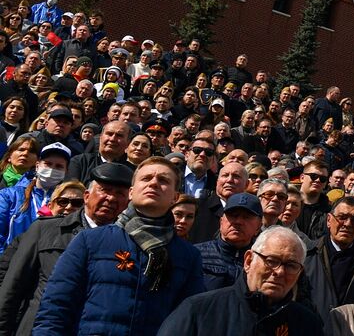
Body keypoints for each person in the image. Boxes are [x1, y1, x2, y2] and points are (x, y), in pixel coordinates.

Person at [32, 157, 206, 335]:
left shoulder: (188, 256)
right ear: (131, 192)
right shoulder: (90, 241)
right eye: (146, 179)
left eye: (163, 180)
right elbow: (55, 307)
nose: (153, 183)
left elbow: (189, 320)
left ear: (174, 197)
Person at [0, 166, 129, 335]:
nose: (111, 198)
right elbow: (13, 288)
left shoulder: (127, 242)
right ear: (87, 196)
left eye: (119, 193)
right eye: (104, 190)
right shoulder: (45, 229)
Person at [155, 225, 324, 335]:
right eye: (271, 261)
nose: (279, 272)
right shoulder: (198, 311)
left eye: (291, 265)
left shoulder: (308, 324)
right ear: (249, 261)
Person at [0, 141, 69, 249]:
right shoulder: (9, 195)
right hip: (10, 260)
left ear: (66, 171)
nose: (52, 169)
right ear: (37, 165)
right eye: (48, 164)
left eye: (59, 166)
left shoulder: (68, 202)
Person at [194, 191, 264, 289]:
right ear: (221, 221)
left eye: (246, 217)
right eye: (233, 215)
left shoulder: (262, 261)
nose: (238, 222)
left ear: (258, 227)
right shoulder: (196, 254)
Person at [69, 119, 134, 183]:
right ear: (100, 137)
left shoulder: (133, 172)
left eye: (119, 135)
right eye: (109, 134)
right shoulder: (80, 161)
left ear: (128, 142)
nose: (112, 139)